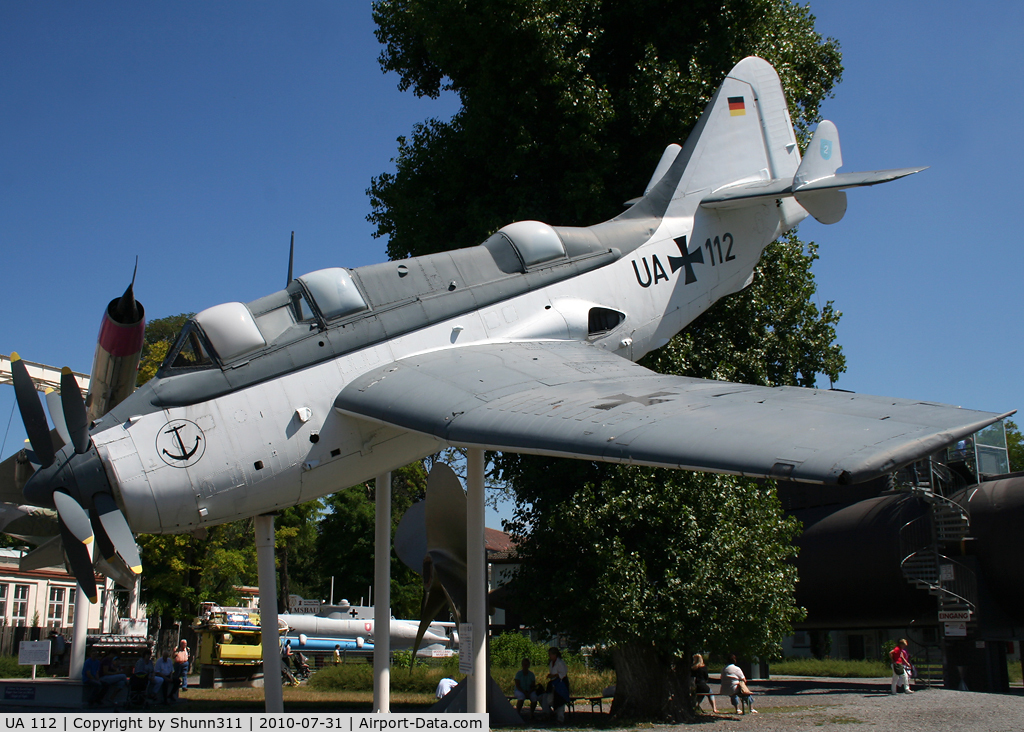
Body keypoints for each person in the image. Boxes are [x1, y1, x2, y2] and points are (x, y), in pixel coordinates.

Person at [541, 647, 570, 723]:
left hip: (561, 684)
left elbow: (562, 674)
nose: (549, 656)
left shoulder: (560, 663)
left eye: (550, 654)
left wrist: (553, 676)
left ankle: (560, 718)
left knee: (560, 699)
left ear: (555, 655)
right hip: (553, 684)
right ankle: (550, 713)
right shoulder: (551, 663)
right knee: (549, 699)